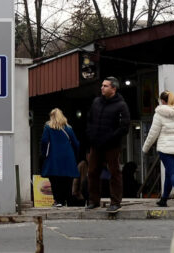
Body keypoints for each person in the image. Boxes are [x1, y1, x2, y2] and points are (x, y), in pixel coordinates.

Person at [85, 77, 130, 213]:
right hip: (96, 144)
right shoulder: (96, 102)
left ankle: (115, 202)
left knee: (114, 172)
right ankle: (94, 201)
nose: (102, 88)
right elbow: (89, 120)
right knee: (92, 172)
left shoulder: (121, 105)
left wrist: (110, 137)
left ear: (113, 89)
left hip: (112, 145)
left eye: (105, 86)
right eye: (102, 85)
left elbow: (124, 127)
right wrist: (91, 135)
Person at [142, 90, 174, 207]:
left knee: (172, 173)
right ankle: (164, 199)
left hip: (165, 149)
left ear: (162, 101)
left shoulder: (159, 114)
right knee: (169, 173)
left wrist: (145, 148)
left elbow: (152, 134)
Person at [40, 108, 80, 207]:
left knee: (55, 180)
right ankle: (68, 200)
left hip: (54, 158)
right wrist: (74, 156)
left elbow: (44, 141)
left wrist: (44, 154)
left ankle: (58, 200)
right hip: (68, 158)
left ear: (51, 117)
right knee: (68, 180)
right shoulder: (68, 128)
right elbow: (76, 143)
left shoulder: (48, 127)